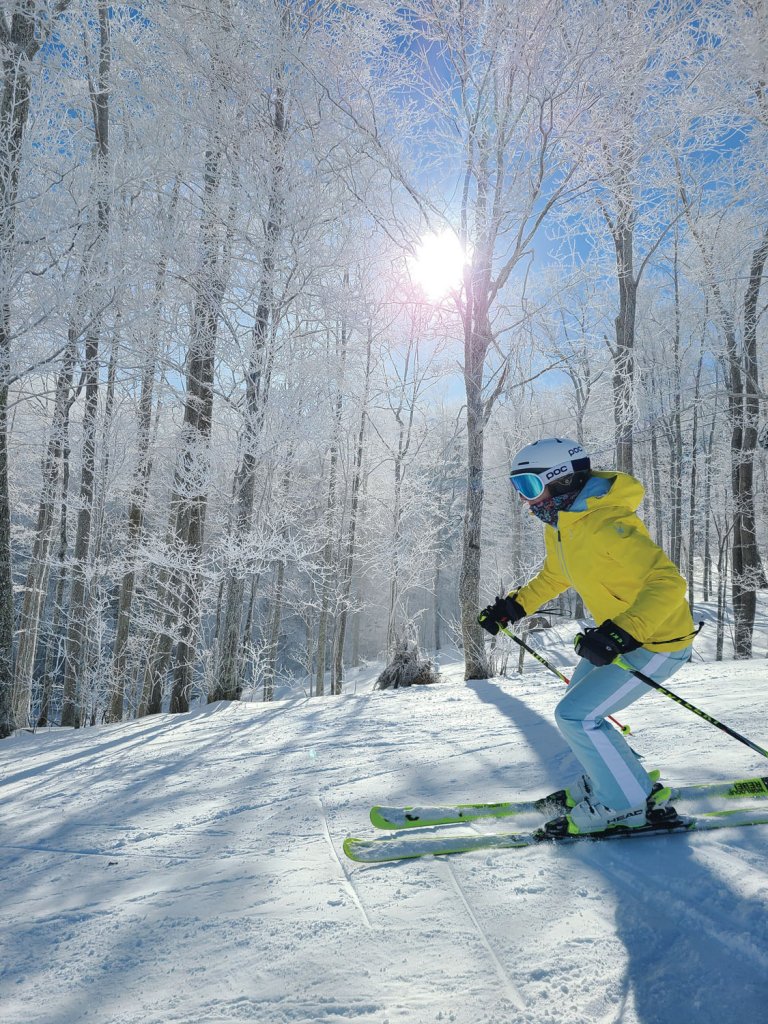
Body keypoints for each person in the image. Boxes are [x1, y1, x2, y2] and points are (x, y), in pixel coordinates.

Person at [478, 437, 697, 836]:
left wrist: (621, 633)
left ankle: (622, 804)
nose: (526, 501)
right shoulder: (565, 523)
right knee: (577, 711)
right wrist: (515, 606)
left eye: (529, 487)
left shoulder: (609, 524)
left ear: (561, 480)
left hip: (656, 641)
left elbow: (668, 581)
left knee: (577, 715)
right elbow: (556, 574)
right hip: (622, 637)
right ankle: (619, 782)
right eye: (519, 490)